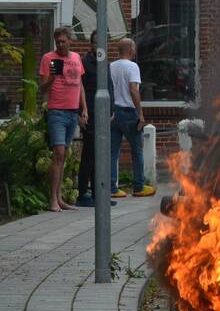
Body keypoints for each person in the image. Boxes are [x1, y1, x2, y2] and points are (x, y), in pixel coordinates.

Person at [38, 27, 87, 212]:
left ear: (70, 41)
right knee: (58, 153)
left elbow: (80, 85)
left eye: (63, 41)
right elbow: (42, 89)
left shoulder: (76, 58)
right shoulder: (48, 58)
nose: (60, 44)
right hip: (56, 111)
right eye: (57, 41)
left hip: (73, 112)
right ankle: (52, 199)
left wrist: (85, 109)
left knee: (64, 155)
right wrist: (53, 77)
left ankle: (59, 198)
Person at [109, 38, 155, 198]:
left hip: (114, 112)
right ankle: (138, 186)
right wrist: (140, 114)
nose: (135, 51)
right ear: (129, 50)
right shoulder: (133, 67)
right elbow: (134, 90)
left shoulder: (111, 66)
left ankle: (112, 188)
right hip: (129, 112)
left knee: (113, 151)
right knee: (137, 151)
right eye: (134, 48)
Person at [76, 32, 116, 207]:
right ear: (90, 45)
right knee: (89, 155)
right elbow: (79, 89)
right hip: (90, 114)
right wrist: (80, 113)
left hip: (104, 115)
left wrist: (112, 109)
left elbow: (109, 86)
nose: (99, 46)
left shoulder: (105, 64)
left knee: (101, 155)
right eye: (95, 42)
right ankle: (82, 193)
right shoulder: (84, 64)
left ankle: (98, 194)